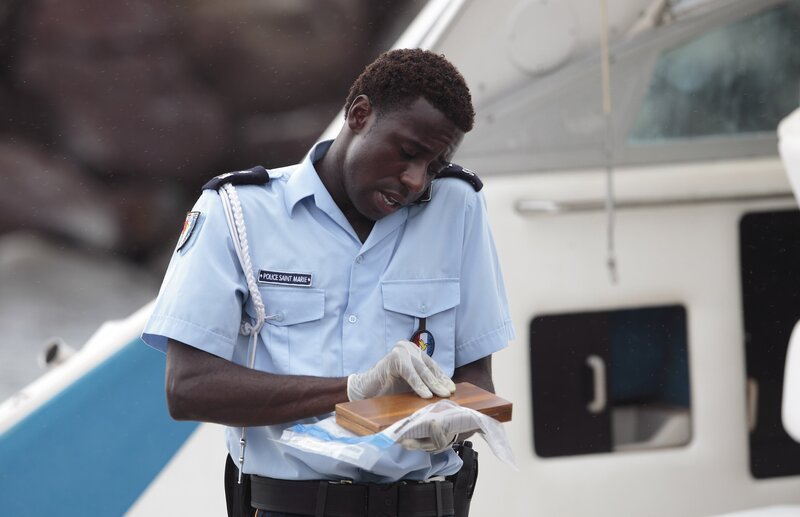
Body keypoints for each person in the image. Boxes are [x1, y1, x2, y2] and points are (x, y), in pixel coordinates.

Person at [142, 48, 514, 517]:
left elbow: (476, 379)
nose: (417, 180)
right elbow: (187, 389)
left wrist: (451, 421)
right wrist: (357, 388)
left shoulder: (458, 207)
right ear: (359, 114)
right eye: (409, 153)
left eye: (434, 166)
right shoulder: (236, 212)